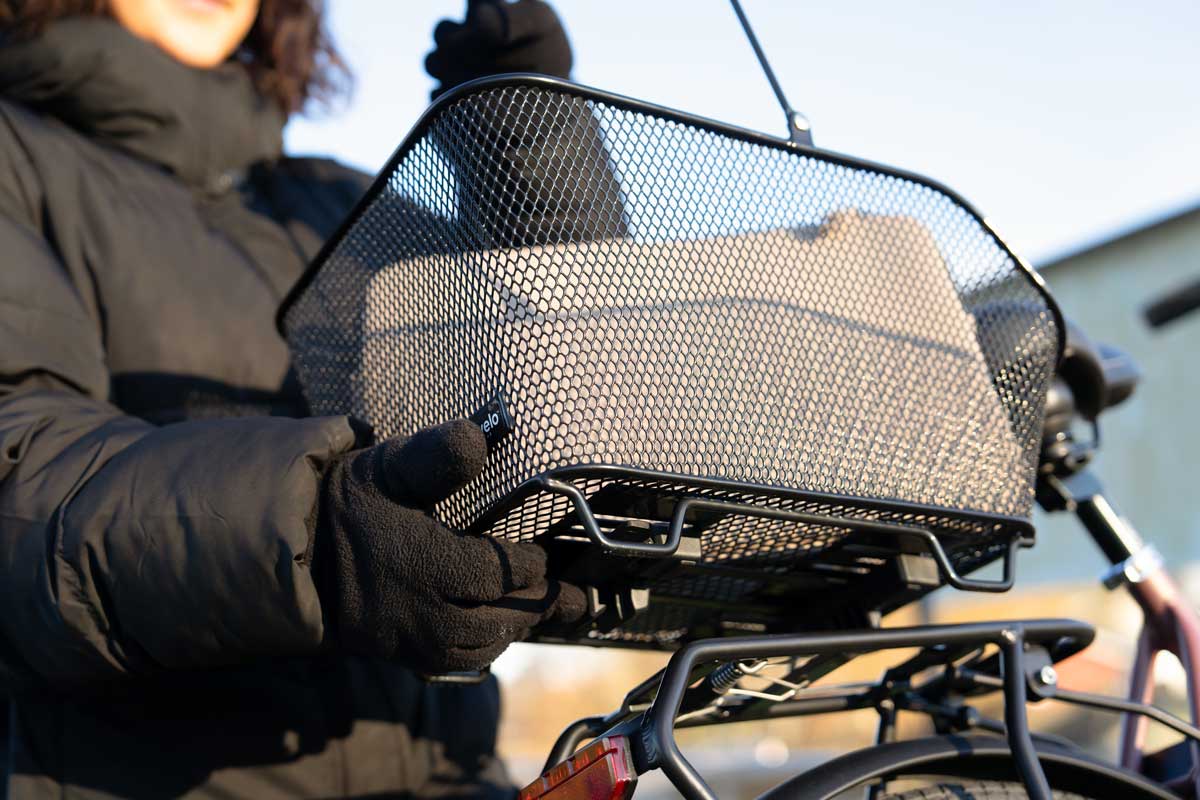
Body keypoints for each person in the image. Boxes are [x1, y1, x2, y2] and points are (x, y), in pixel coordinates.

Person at [0, 0, 588, 797]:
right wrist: (313, 537)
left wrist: (523, 131)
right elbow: (22, 471)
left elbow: (566, 360)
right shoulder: (16, 158)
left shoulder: (340, 202)